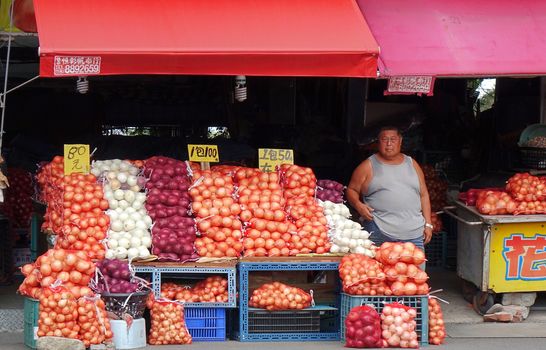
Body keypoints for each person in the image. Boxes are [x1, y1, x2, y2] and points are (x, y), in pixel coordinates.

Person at [346, 126, 432, 252]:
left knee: (414, 271)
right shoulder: (367, 166)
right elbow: (351, 190)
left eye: (393, 139)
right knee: (376, 271)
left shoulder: (412, 164)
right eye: (384, 139)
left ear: (400, 141)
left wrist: (428, 224)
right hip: (378, 231)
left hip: (414, 234)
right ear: (377, 143)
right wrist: (358, 205)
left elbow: (424, 195)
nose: (389, 143)